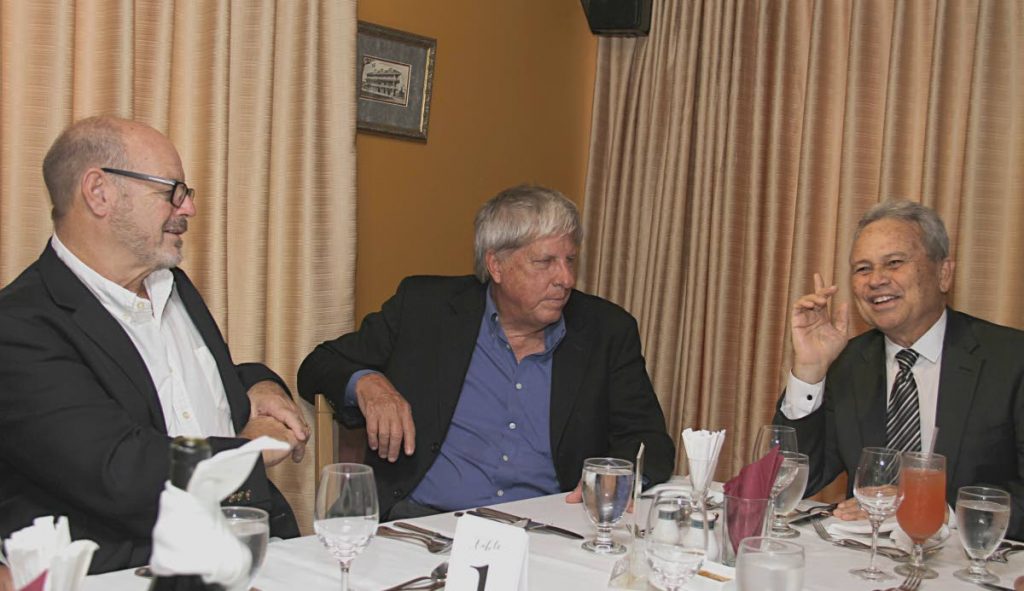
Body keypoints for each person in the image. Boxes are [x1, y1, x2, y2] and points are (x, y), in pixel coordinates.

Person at [0, 116, 309, 573]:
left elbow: (165, 384)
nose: (188, 209)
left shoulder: (174, 287)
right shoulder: (20, 326)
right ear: (98, 192)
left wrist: (257, 384)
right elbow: (119, 469)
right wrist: (247, 453)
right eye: (171, 191)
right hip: (135, 571)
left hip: (257, 553)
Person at [299, 184, 675, 519]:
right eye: (545, 262)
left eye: (570, 260)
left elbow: (649, 441)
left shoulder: (606, 330)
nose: (566, 279)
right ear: (496, 264)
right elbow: (319, 365)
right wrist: (368, 383)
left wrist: (615, 477)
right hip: (421, 522)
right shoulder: (425, 309)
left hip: (546, 530)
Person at [774, 198, 1024, 539]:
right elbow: (797, 481)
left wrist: (933, 509)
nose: (876, 280)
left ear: (943, 273)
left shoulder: (1011, 360)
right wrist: (810, 369)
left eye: (894, 263)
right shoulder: (848, 362)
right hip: (865, 561)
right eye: (862, 269)